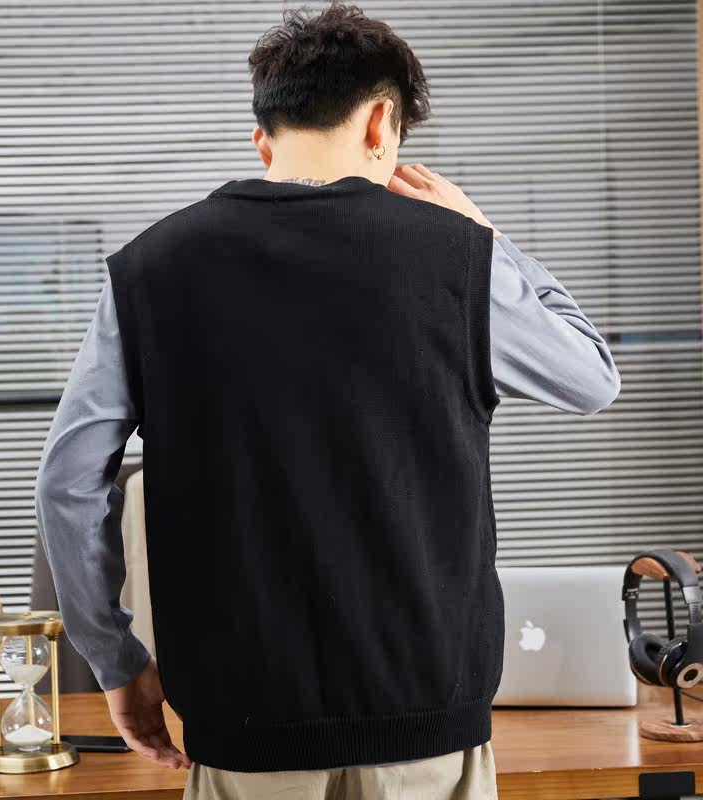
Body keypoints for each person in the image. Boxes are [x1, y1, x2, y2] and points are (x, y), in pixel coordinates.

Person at [35, 2, 621, 798]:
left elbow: (68, 485)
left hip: (242, 731)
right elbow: (592, 377)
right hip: (426, 729)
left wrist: (116, 660)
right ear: (382, 122)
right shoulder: (458, 260)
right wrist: (485, 236)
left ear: (263, 139)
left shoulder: (151, 269)